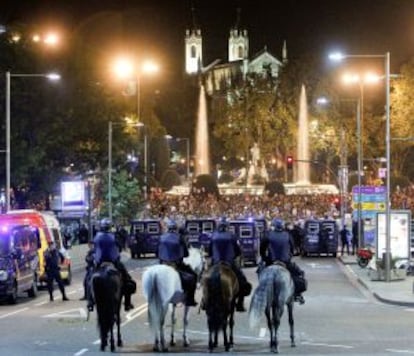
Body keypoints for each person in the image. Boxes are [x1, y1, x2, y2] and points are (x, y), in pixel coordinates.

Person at [89, 218, 135, 312]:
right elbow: (120, 247)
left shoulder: (97, 236)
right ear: (110, 227)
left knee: (89, 279)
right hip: (114, 262)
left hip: (99, 262)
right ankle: (127, 303)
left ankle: (90, 302)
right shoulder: (114, 236)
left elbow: (94, 249)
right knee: (127, 280)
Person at [208, 217, 252, 312]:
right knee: (242, 281)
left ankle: (205, 301)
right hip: (229, 263)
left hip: (216, 263)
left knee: (205, 280)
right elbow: (237, 251)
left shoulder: (213, 236)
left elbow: (210, 251)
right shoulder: (232, 236)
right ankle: (240, 303)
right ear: (227, 226)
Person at [260, 218, 306, 304]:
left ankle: (261, 293)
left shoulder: (268, 235)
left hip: (271, 261)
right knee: (299, 274)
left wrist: (264, 258)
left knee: (261, 273)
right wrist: (290, 256)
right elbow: (292, 249)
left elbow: (262, 248)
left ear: (273, 226)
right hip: (285, 262)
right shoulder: (287, 235)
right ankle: (297, 294)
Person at [158, 220, 198, 307]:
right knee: (193, 276)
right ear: (175, 229)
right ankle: (190, 300)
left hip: (163, 264)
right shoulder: (179, 237)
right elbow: (185, 254)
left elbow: (157, 252)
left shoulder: (162, 237)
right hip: (176, 264)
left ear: (168, 228)